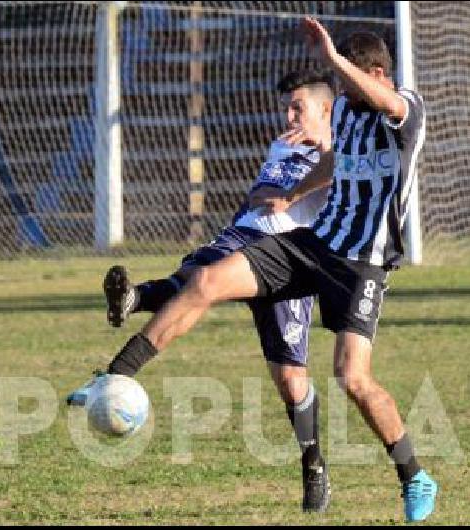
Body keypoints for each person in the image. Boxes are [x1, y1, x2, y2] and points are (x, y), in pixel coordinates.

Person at [70, 17, 438, 522]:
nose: (343, 92)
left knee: (352, 379)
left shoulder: (407, 109)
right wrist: (294, 190)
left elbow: (387, 103)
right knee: (206, 280)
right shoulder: (349, 114)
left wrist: (333, 60)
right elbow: (337, 162)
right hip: (313, 243)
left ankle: (414, 475)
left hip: (361, 267)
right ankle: (115, 376)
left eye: (350, 79)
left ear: (376, 72)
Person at [89, 69, 334, 512]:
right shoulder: (284, 143)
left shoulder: (341, 151)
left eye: (298, 107)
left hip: (289, 260)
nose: (289, 114)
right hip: (244, 237)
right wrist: (274, 192)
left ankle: (313, 463)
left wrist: (297, 188)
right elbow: (261, 192)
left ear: (326, 110)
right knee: (193, 281)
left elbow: (328, 184)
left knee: (290, 381)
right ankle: (129, 320)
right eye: (287, 106)